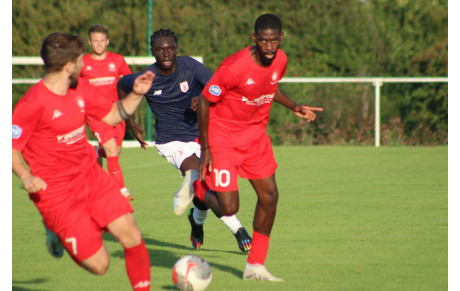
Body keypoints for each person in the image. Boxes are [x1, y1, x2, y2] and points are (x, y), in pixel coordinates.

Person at [12, 32, 154, 290]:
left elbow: (112, 115)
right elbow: (9, 148)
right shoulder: (32, 104)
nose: (83, 65)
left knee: (132, 235)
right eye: (80, 61)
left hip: (91, 176)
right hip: (57, 194)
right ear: (69, 67)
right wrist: (26, 176)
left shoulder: (80, 88)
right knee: (100, 265)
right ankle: (55, 230)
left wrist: (137, 94)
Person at [196, 14, 324, 281]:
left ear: (281, 39)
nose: (268, 46)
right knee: (229, 208)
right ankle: (196, 186)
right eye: (263, 40)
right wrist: (206, 149)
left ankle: (255, 265)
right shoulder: (233, 67)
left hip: (255, 138)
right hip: (223, 138)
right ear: (253, 39)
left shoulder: (281, 60)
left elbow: (269, 87)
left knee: (270, 197)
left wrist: (294, 106)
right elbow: (206, 102)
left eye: (273, 41)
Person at [118, 28, 251, 252]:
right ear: (152, 52)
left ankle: (196, 222)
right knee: (204, 179)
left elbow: (216, 89)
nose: (166, 53)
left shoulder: (191, 66)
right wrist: (129, 122)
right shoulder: (147, 79)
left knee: (202, 192)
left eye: (170, 48)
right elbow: (122, 84)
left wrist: (203, 98)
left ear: (177, 48)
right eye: (160, 50)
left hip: (204, 136)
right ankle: (238, 230)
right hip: (172, 142)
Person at [80, 24, 134, 201]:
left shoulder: (118, 60)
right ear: (89, 42)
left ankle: (97, 153)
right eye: (95, 41)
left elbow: (129, 82)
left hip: (117, 113)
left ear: (107, 41)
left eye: (102, 41)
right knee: (111, 150)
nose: (99, 44)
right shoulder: (83, 63)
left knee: (115, 151)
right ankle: (121, 190)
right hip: (95, 115)